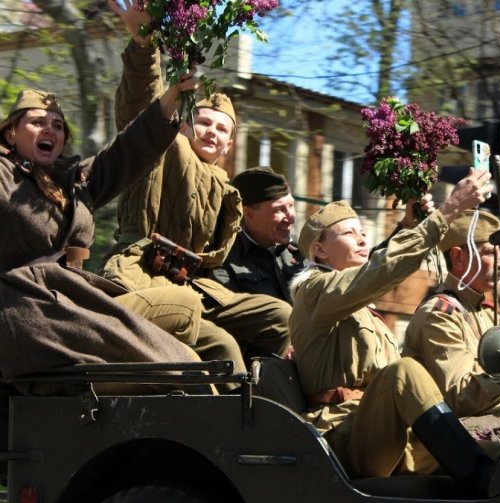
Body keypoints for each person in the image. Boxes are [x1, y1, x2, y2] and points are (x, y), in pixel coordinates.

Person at [289, 170, 500, 498]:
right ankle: (478, 476)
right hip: (343, 434)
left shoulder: (356, 305)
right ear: (320, 251)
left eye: (361, 231)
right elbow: (380, 270)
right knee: (403, 373)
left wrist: (411, 225)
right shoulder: (314, 292)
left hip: (387, 429)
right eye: (348, 233)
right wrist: (450, 210)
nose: (362, 238)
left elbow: (378, 268)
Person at [100, 1, 292, 374]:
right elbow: (138, 111)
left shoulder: (225, 187)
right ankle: (232, 420)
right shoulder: (162, 147)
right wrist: (144, 49)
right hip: (142, 270)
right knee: (221, 346)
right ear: (186, 126)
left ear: (229, 144)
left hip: (193, 283)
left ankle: (288, 406)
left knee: (281, 316)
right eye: (204, 122)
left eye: (222, 129)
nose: (212, 132)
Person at [0, 78, 207, 394]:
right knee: (176, 373)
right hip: (27, 313)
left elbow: (125, 153)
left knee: (192, 364)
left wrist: (172, 98)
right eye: (37, 122)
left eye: (57, 125)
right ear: (11, 133)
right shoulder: (3, 175)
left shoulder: (72, 184)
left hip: (77, 304)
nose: (49, 130)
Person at [403, 210, 500, 456]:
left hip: (495, 421)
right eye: (491, 252)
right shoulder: (440, 314)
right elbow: (461, 398)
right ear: (458, 257)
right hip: (453, 440)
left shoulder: (483, 313)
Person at [208, 166, 305, 303]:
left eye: (291, 206)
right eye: (279, 210)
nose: (291, 219)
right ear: (247, 214)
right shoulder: (221, 258)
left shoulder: (300, 251)